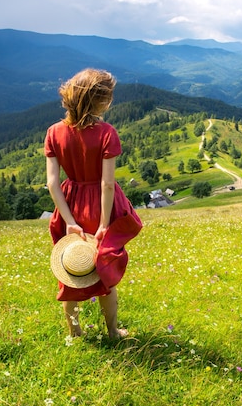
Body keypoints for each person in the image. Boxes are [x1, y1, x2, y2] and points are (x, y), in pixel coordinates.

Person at [45, 68, 142, 339]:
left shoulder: (53, 132)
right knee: (104, 272)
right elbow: (107, 184)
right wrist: (102, 224)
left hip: (70, 205)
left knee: (71, 272)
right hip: (101, 207)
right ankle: (112, 331)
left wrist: (70, 221)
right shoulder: (107, 133)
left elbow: (53, 183)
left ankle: (74, 334)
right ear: (101, 101)